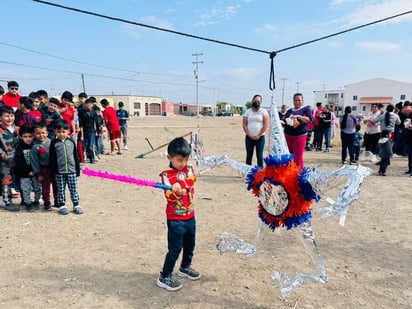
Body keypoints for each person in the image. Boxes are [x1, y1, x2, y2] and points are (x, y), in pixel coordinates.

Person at [157, 137, 199, 291]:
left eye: (186, 159)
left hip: (190, 216)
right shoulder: (166, 175)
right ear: (170, 158)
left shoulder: (189, 170)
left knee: (190, 244)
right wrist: (176, 193)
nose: (183, 163)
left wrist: (180, 185)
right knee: (175, 248)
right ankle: (165, 276)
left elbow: (192, 180)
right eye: (179, 160)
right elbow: (168, 196)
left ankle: (184, 267)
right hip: (175, 219)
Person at [49, 119, 82, 215]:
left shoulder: (71, 142)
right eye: (59, 132)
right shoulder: (54, 143)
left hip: (72, 171)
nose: (61, 134)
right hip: (59, 172)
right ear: (55, 131)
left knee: (73, 188)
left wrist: (77, 169)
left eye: (64, 132)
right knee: (60, 189)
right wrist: (53, 171)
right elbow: (52, 158)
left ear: (68, 131)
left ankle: (76, 204)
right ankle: (62, 205)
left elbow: (76, 156)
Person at [14, 125, 41, 211]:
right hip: (24, 173)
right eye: (25, 137)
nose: (28, 139)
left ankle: (37, 201)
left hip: (35, 172)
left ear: (33, 135)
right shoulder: (19, 147)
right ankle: (27, 202)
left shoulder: (36, 146)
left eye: (30, 136)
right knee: (25, 188)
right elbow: (19, 162)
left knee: (37, 187)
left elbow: (39, 159)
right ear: (20, 136)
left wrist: (36, 170)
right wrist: (27, 171)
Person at [31, 124, 57, 210]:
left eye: (43, 133)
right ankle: (47, 201)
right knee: (45, 186)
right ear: (34, 134)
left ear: (47, 133)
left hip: (54, 168)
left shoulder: (52, 142)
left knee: (56, 184)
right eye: (38, 133)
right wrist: (38, 173)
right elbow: (34, 161)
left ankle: (58, 200)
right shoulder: (35, 147)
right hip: (44, 169)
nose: (41, 135)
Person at [283, 93, 313, 167]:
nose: (297, 102)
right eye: (295, 100)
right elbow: (285, 121)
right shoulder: (289, 111)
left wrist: (298, 116)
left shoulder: (306, 109)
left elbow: (309, 120)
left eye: (299, 100)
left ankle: (299, 175)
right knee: (289, 158)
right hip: (288, 136)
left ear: (302, 101)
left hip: (299, 137)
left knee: (298, 158)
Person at [0, 105, 19, 211]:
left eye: (12, 116)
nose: (10, 118)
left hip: (16, 160)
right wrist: (4, 156)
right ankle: (7, 202)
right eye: (7, 116)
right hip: (4, 161)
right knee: (6, 181)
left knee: (15, 180)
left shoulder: (17, 129)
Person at [242, 94, 269, 167]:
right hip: (249, 137)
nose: (256, 102)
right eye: (255, 100)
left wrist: (259, 135)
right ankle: (247, 172)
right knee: (249, 156)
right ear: (252, 101)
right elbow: (244, 124)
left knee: (259, 156)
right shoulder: (248, 111)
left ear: (261, 102)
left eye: (258, 101)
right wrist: (249, 134)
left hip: (260, 137)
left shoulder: (263, 111)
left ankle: (260, 173)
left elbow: (265, 124)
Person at [78, 98, 98, 164]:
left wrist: (97, 131)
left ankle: (92, 158)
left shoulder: (94, 113)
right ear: (85, 105)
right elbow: (80, 122)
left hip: (91, 131)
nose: (88, 106)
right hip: (84, 130)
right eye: (87, 104)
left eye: (90, 104)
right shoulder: (81, 112)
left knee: (90, 145)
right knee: (83, 145)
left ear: (92, 105)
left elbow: (96, 122)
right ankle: (82, 159)